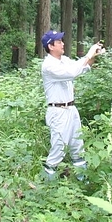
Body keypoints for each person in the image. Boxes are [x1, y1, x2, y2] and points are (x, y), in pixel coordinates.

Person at [40, 29, 104, 179]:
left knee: (77, 146)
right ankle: (46, 186)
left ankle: (83, 181)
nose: (63, 44)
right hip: (58, 112)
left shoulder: (64, 60)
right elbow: (72, 72)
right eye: (59, 42)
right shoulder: (49, 66)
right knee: (58, 148)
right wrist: (88, 53)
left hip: (71, 109)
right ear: (51, 46)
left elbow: (81, 67)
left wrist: (94, 55)